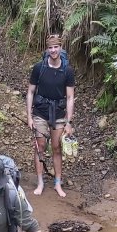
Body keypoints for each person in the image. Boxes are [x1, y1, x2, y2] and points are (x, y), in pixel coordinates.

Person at [26, 34, 75, 198]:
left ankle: (57, 183)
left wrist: (69, 121)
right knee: (40, 146)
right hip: (40, 111)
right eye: (50, 47)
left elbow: (70, 97)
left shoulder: (67, 70)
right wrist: (29, 116)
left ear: (60, 48)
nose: (53, 50)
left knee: (56, 147)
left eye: (56, 47)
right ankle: (40, 182)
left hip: (59, 113)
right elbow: (30, 92)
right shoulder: (39, 68)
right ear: (47, 49)